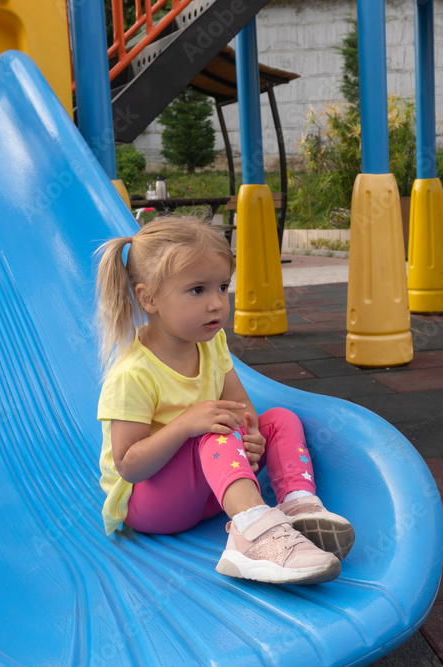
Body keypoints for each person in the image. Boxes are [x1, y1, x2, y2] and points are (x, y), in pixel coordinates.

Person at [94, 217, 355, 585]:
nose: (217, 303)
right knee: (212, 431)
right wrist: (185, 424)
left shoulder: (211, 343)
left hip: (211, 492)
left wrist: (252, 436)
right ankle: (252, 537)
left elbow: (240, 407)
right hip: (153, 506)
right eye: (197, 290)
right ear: (148, 297)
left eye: (222, 287)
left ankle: (297, 504)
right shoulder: (132, 374)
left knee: (279, 418)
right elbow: (128, 466)